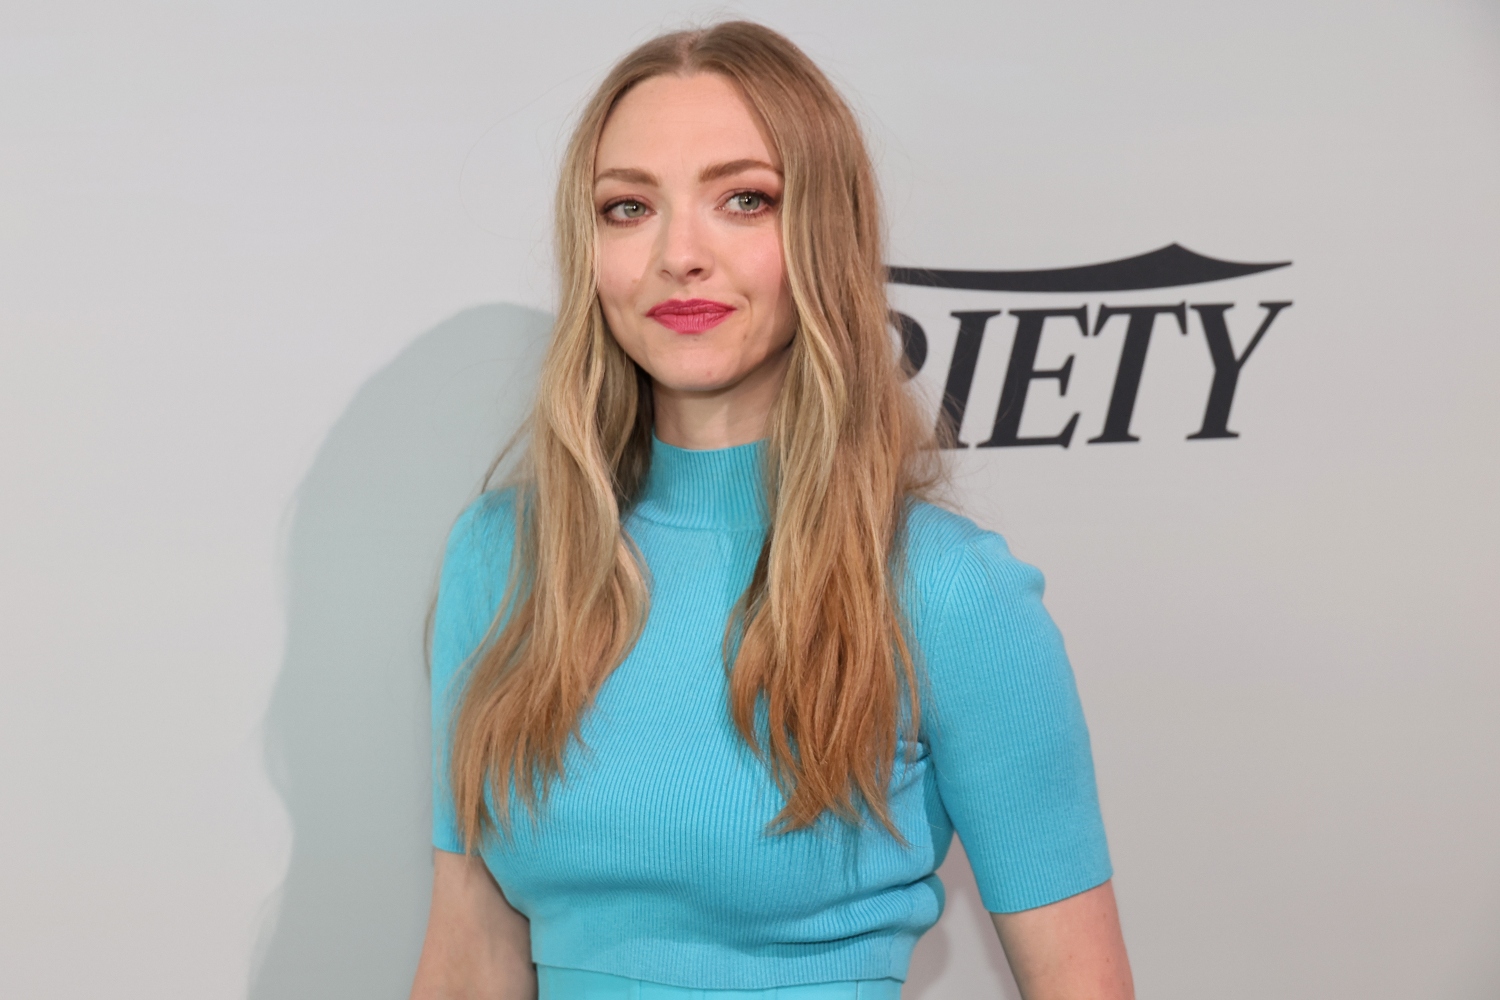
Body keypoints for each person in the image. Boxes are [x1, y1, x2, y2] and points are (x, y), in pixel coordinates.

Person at [410, 21, 1132, 1000]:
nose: (679, 254)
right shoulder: (500, 558)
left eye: (743, 200)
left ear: (821, 236)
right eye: (628, 208)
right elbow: (469, 954)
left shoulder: (946, 587)